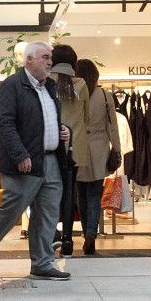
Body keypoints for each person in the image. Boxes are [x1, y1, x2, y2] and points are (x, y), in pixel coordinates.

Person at [0, 42, 71, 281]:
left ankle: (42, 263)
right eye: (45, 57)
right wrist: (20, 154)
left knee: (47, 213)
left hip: (51, 160)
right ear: (29, 60)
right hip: (25, 161)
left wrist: (64, 131)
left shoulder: (51, 87)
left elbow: (47, 120)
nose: (49, 62)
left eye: (50, 58)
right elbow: (6, 124)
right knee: (11, 210)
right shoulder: (12, 86)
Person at [73, 59, 119, 256]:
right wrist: (116, 149)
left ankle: (86, 233)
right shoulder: (105, 95)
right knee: (94, 194)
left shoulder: (74, 94)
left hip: (78, 146)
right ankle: (91, 233)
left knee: (80, 194)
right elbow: (113, 126)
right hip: (100, 147)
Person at [49, 45, 88, 256]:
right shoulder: (81, 84)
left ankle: (52, 232)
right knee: (69, 193)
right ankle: (68, 240)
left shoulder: (47, 82)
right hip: (75, 147)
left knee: (50, 191)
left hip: (52, 145)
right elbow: (87, 118)